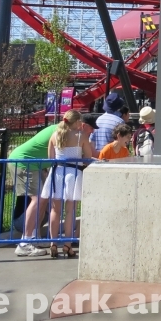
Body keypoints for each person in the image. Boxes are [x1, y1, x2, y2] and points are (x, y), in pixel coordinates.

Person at [42, 110, 93, 258]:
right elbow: (87, 158)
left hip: (57, 172)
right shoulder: (80, 136)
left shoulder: (55, 135)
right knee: (70, 210)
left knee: (55, 209)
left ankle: (53, 243)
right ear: (77, 122)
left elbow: (50, 157)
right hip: (73, 173)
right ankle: (67, 245)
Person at [9, 122, 58, 257]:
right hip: (25, 162)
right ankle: (25, 243)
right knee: (37, 200)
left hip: (35, 165)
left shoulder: (59, 129)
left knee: (43, 200)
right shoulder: (60, 132)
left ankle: (34, 238)